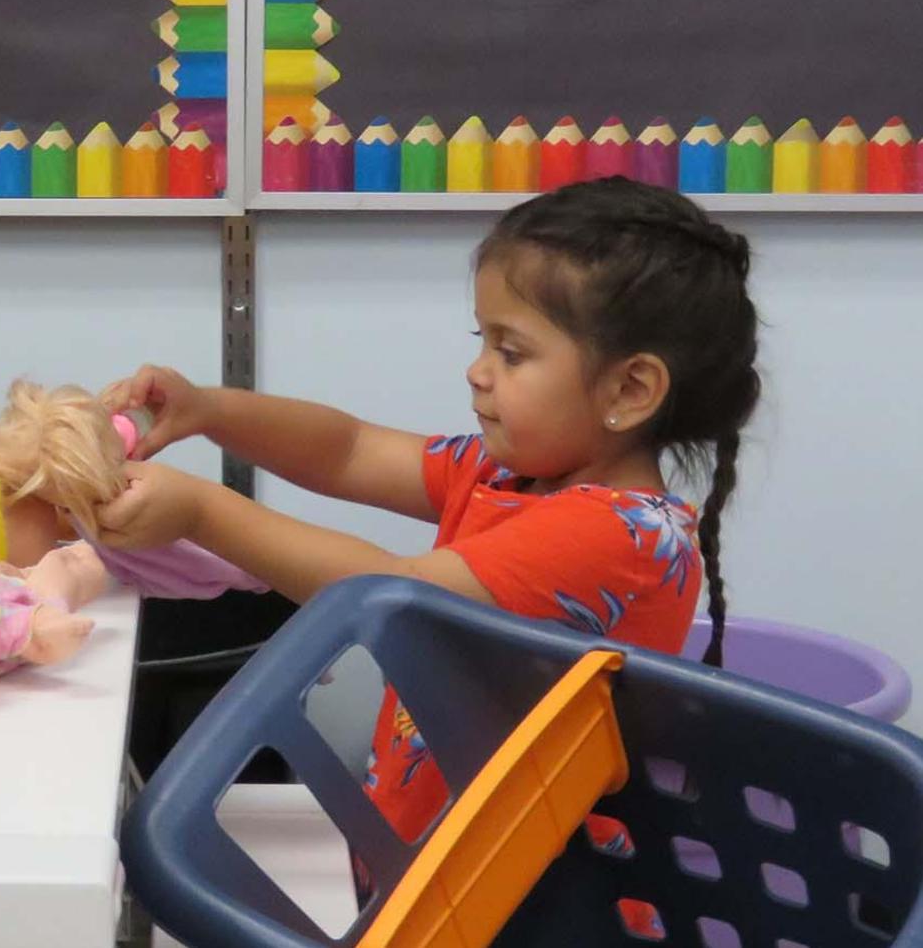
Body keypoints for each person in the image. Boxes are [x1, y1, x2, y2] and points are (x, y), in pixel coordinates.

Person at [95, 177, 761, 857]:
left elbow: (391, 593)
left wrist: (203, 511)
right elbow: (349, 449)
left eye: (511, 352)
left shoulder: (619, 533)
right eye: (482, 341)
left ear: (630, 388)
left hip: (530, 898)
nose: (477, 372)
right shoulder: (508, 475)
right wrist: (208, 409)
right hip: (428, 867)